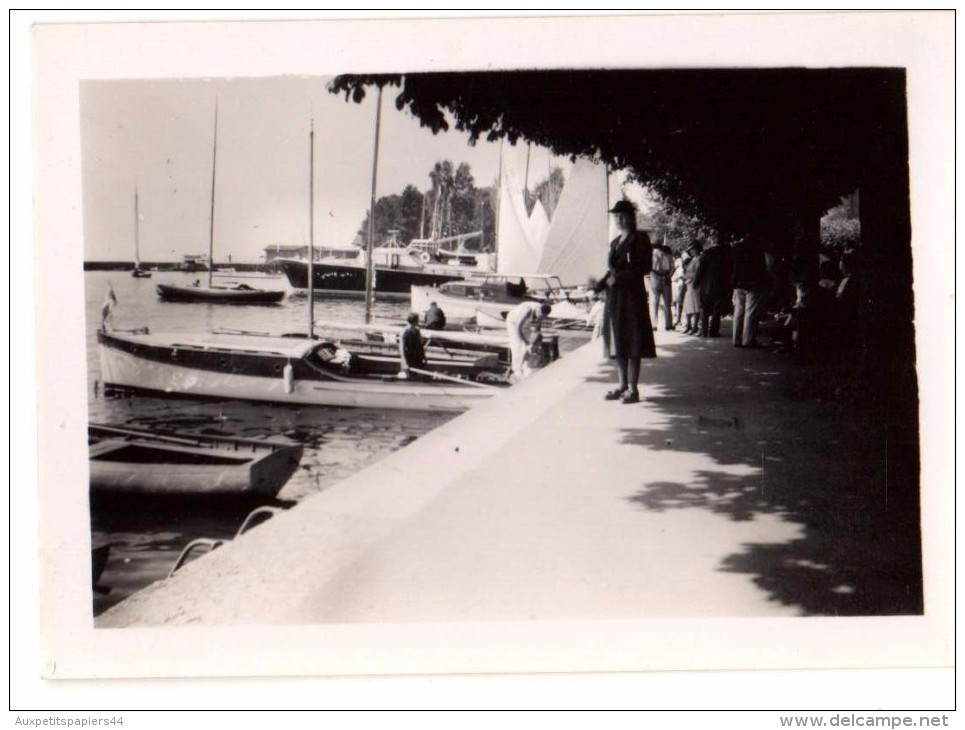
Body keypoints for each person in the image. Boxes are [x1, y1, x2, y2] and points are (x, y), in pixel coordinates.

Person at [592, 199, 657, 404]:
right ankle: (621, 385)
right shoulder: (615, 242)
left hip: (632, 298)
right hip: (614, 299)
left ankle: (633, 389)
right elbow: (611, 270)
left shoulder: (640, 239)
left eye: (623, 215)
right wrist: (599, 285)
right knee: (618, 342)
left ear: (631, 217)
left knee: (633, 342)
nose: (619, 219)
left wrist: (617, 279)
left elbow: (644, 268)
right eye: (616, 216)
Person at [730, 236, 768, 348]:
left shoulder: (736, 249)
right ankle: (748, 340)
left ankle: (736, 339)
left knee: (738, 311)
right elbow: (764, 266)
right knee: (750, 313)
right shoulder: (758, 249)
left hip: (738, 283)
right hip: (753, 283)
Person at [692, 236, 732, 337]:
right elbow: (729, 271)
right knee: (716, 309)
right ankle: (714, 331)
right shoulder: (726, 254)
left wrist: (695, 282)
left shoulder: (706, 253)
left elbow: (700, 270)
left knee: (705, 309)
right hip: (721, 286)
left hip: (706, 286)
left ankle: (703, 331)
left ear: (713, 241)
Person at [505, 300, 553, 381]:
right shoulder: (527, 310)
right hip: (513, 322)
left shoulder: (541, 311)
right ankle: (516, 372)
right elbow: (518, 327)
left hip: (525, 324)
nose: (539, 317)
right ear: (538, 310)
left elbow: (537, 328)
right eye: (540, 315)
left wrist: (535, 339)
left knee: (530, 343)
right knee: (519, 345)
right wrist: (526, 343)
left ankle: (526, 367)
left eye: (542, 316)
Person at [649, 238, 675, 331]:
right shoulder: (668, 255)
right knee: (667, 303)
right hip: (666, 278)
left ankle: (653, 325)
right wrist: (668, 276)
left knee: (654, 303)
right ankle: (668, 324)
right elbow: (673, 268)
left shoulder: (652, 254)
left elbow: (649, 268)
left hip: (655, 279)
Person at [681, 241, 703, 334]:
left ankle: (694, 327)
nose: (691, 251)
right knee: (688, 305)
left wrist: (687, 276)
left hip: (694, 284)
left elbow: (697, 273)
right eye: (691, 250)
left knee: (695, 306)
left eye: (693, 249)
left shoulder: (699, 259)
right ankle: (689, 325)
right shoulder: (693, 259)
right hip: (689, 284)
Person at [398, 312, 427, 378]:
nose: (418, 322)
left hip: (416, 357)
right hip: (408, 356)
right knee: (408, 375)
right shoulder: (405, 331)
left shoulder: (417, 330)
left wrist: (423, 356)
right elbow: (402, 347)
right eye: (417, 320)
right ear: (414, 321)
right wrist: (405, 362)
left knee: (417, 375)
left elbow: (420, 345)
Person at [671, 251, 688, 328]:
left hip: (680, 283)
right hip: (678, 283)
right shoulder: (679, 263)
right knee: (678, 301)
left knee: (679, 301)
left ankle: (679, 319)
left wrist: (676, 278)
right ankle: (678, 319)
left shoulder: (679, 263)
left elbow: (681, 275)